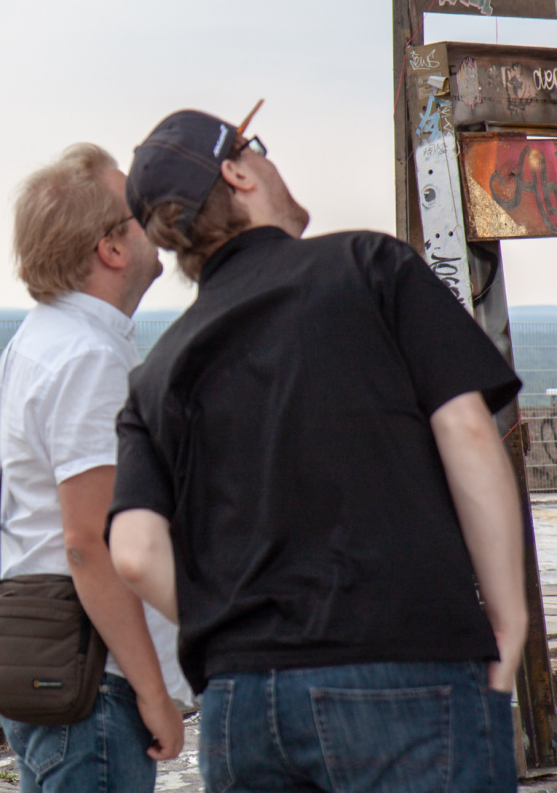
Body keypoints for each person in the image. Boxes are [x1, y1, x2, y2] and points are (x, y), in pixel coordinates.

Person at [107, 109, 527, 791]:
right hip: (404, 668)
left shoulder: (157, 371)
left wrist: (237, 625)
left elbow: (132, 552)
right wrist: (507, 619)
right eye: (256, 151)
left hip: (239, 705)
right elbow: (467, 431)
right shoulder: (368, 266)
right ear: (236, 172)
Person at [0, 144, 188, 793]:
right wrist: (153, 692)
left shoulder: (41, 339)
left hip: (55, 656)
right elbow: (90, 542)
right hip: (93, 678)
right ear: (110, 248)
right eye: (138, 212)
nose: (155, 220)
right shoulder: (87, 357)